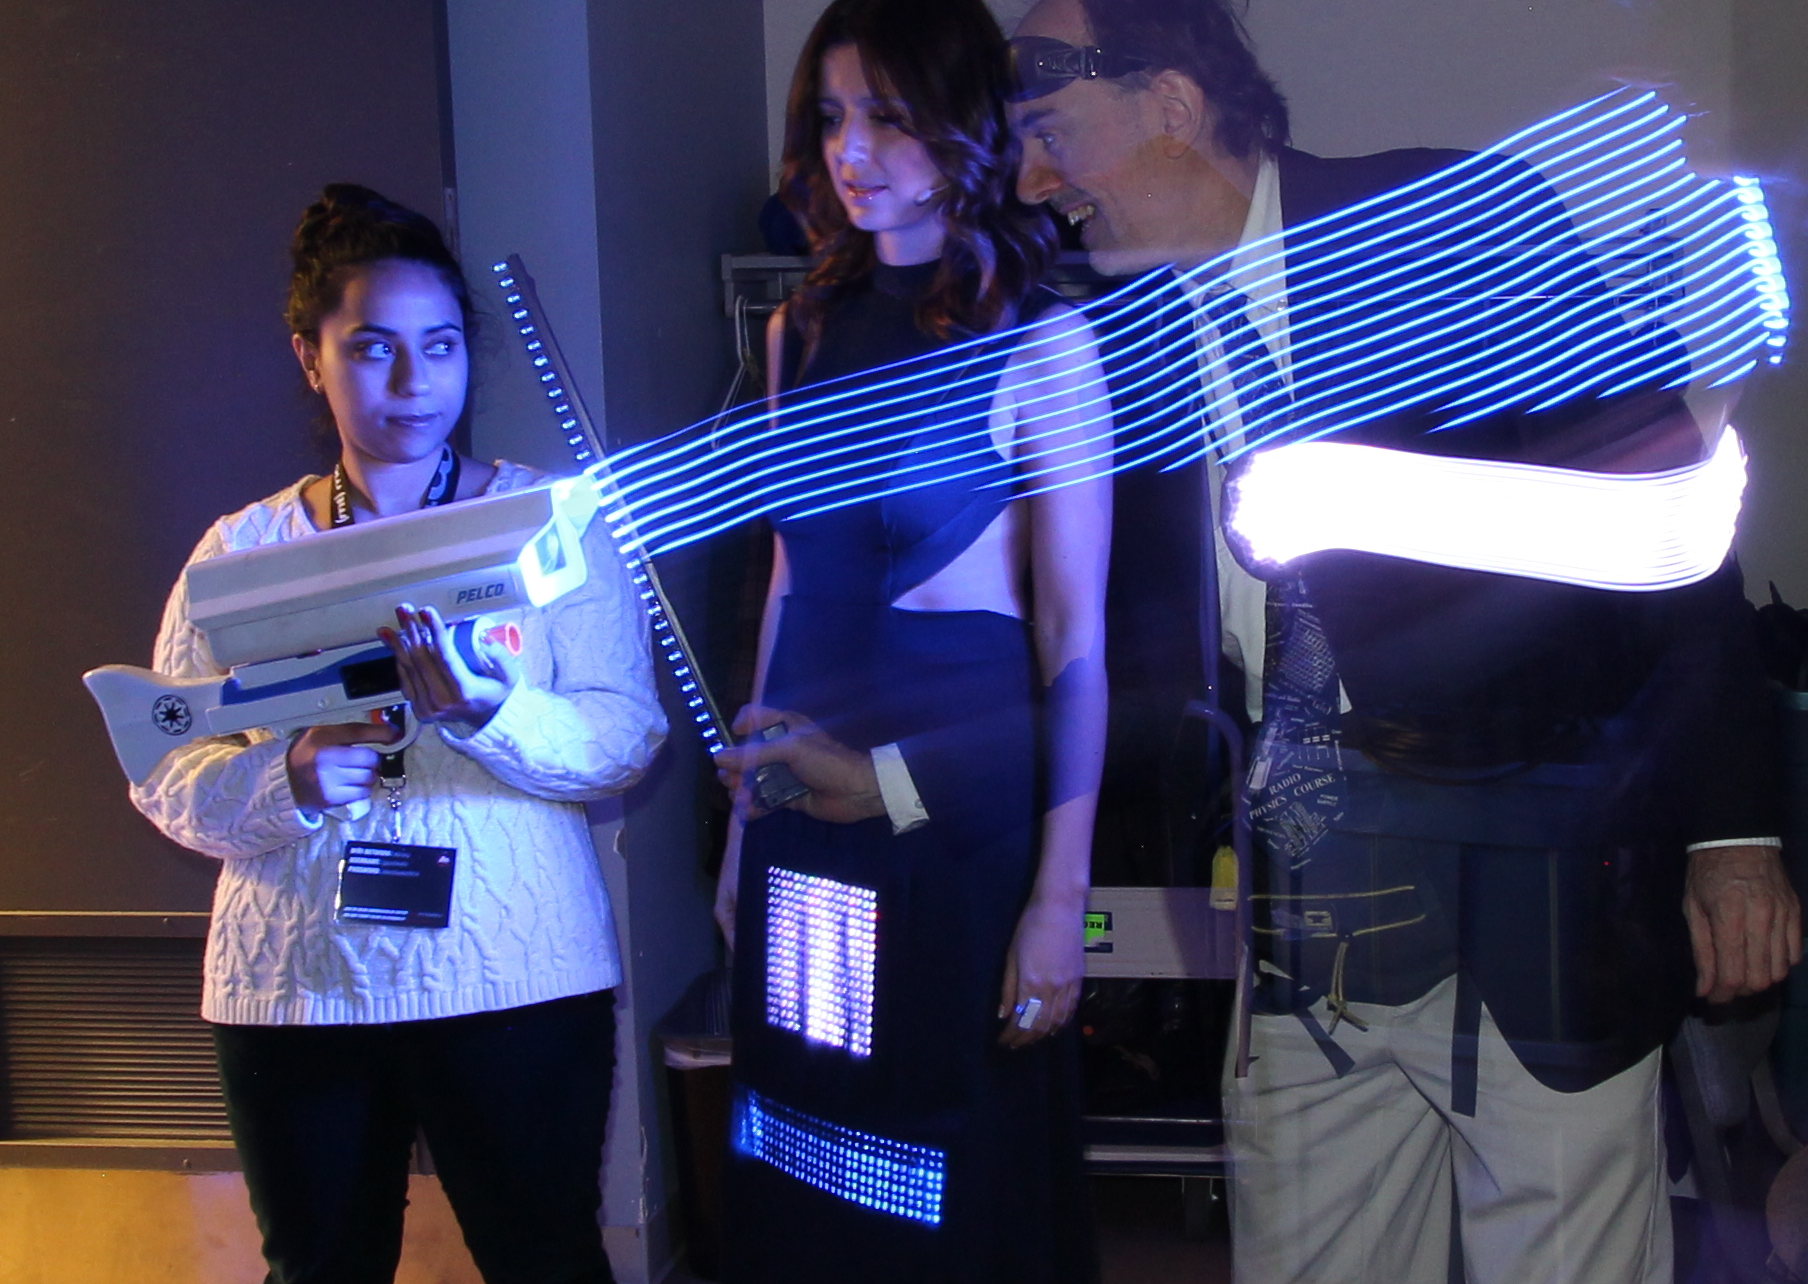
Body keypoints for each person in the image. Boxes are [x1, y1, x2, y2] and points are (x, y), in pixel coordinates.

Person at [1003, 2, 1800, 1282]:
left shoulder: (1443, 227)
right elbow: (1079, 647)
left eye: (1047, 131)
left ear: (1170, 105)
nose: (1030, 183)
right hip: (1301, 930)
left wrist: (1730, 834)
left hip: (1535, 913)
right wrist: (908, 790)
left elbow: (1663, 505)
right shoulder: (1101, 344)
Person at [128, 184, 665, 1284]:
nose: (416, 382)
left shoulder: (550, 527)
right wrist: (286, 778)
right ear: (309, 357)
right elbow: (165, 764)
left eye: (442, 345)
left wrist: (490, 712)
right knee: (319, 1267)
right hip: (296, 981)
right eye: (374, 348)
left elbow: (624, 738)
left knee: (546, 1260)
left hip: (513, 977)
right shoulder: (242, 551)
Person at [707, 1, 1111, 1279]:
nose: (850, 148)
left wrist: (1060, 903)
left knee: (951, 1177)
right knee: (810, 1154)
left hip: (951, 812)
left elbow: (1075, 640)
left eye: (886, 115)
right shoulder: (799, 331)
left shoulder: (1042, 336)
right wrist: (740, 837)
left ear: (958, 123)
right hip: (801, 813)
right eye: (831, 117)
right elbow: (786, 582)